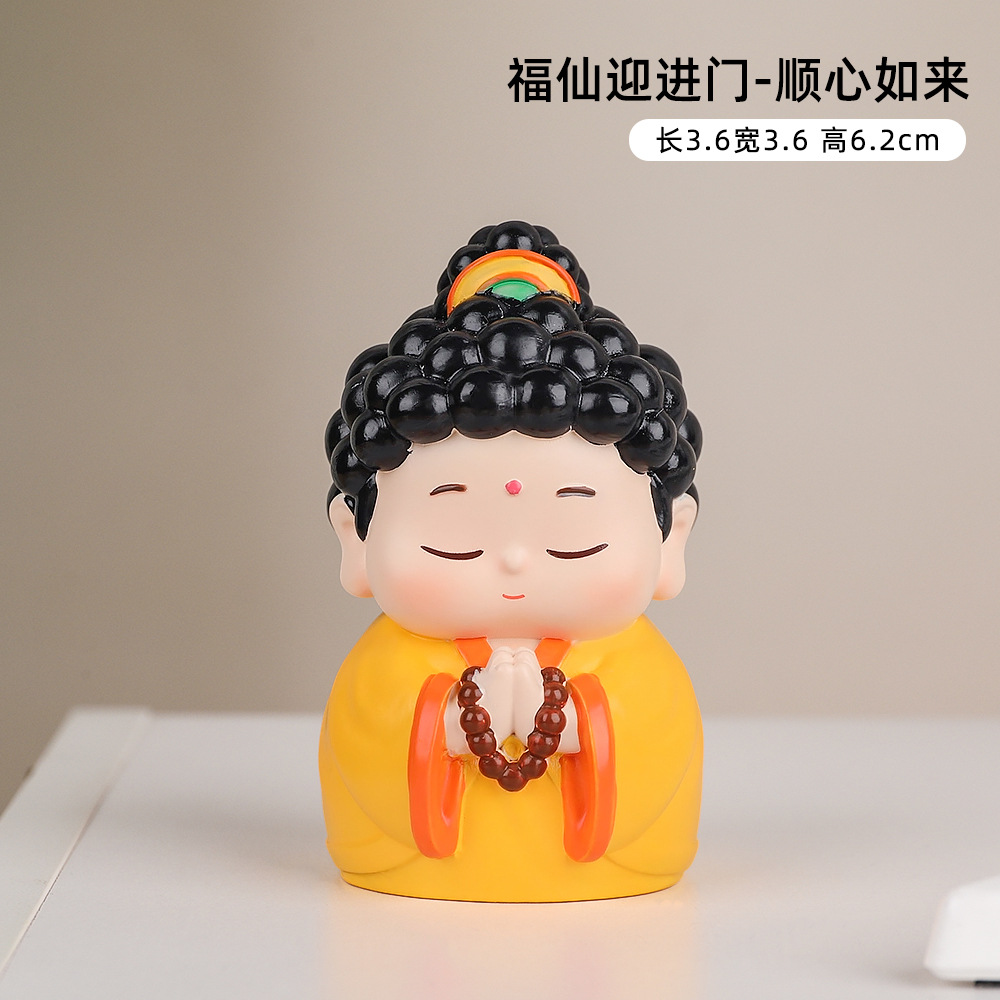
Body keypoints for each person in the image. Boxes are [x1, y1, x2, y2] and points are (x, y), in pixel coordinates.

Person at [320, 221, 703, 901]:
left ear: (670, 539)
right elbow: (362, 744)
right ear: (356, 539)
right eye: (454, 543)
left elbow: (660, 744)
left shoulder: (635, 664)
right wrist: (447, 727)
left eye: (573, 542)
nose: (518, 560)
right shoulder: (387, 666)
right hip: (411, 875)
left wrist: (579, 726)